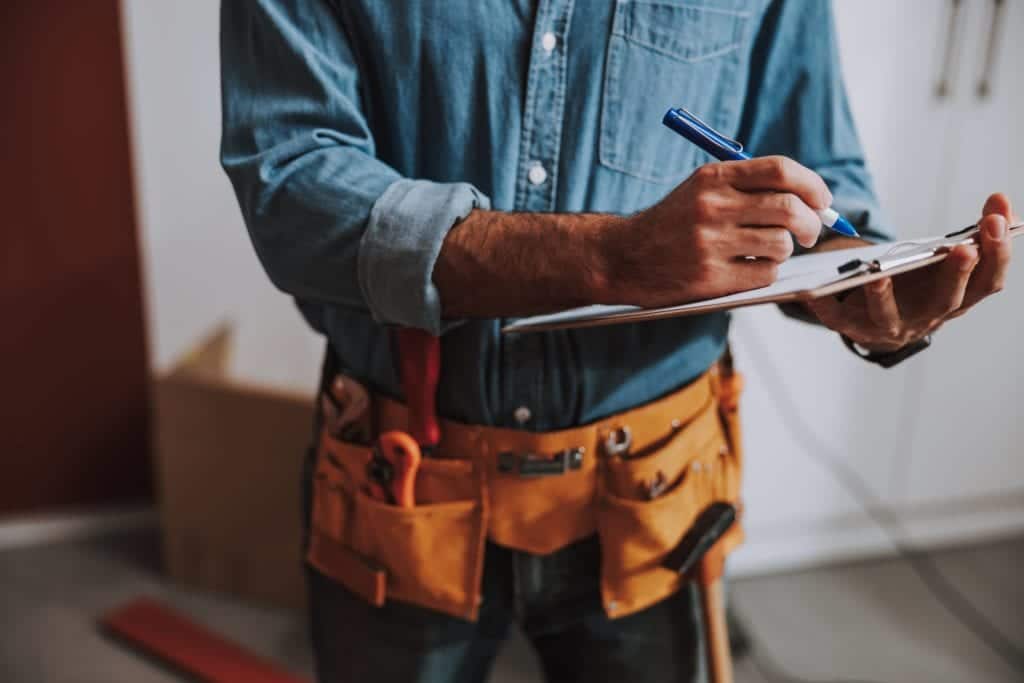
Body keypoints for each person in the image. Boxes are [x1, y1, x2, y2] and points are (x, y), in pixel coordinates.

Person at [219, 1, 1014, 681]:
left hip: (655, 497)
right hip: (399, 478)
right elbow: (289, 183)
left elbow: (816, 189)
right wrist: (609, 257)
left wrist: (860, 287)